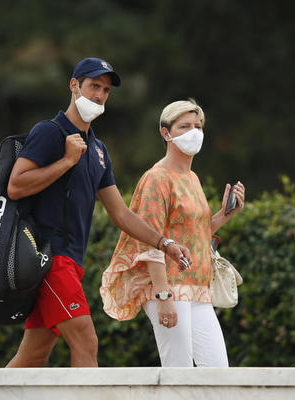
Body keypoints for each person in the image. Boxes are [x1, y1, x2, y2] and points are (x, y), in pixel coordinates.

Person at [5, 58, 191, 368]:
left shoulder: (98, 150)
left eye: (105, 90)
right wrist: (66, 161)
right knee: (86, 341)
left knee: (33, 355)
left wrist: (165, 243)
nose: (100, 95)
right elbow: (16, 185)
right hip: (48, 258)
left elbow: (121, 214)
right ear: (74, 85)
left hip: (71, 261)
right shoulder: (49, 133)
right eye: (94, 86)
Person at [100, 99, 245, 367]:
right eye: (185, 126)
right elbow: (149, 239)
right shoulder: (157, 178)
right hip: (168, 287)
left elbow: (195, 235)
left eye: (198, 126)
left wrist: (226, 214)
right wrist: (162, 295)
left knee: (218, 373)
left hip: (198, 287)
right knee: (177, 373)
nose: (194, 132)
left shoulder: (192, 178)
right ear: (166, 133)